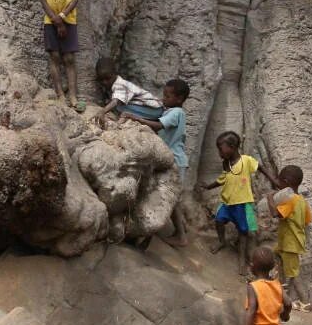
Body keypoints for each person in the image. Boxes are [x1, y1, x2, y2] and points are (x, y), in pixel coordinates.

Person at [204, 131, 280, 268]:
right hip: (227, 203)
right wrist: (209, 187)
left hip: (241, 204)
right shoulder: (226, 164)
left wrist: (273, 179)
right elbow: (222, 179)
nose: (219, 153)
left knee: (243, 231)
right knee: (219, 220)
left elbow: (260, 167)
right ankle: (222, 241)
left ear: (232, 147)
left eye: (220, 149)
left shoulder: (246, 160)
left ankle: (242, 259)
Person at [129, 78, 190, 245]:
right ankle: (179, 229)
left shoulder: (176, 113)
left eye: (167, 96)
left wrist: (138, 119)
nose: (164, 99)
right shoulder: (170, 111)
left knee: (167, 198)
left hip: (174, 160)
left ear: (179, 99)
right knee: (167, 197)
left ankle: (179, 235)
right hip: (169, 159)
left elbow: (157, 126)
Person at [37, 0, 82, 110]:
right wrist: (56, 20)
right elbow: (43, 1)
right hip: (50, 22)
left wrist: (62, 18)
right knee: (55, 57)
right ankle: (60, 94)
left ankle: (73, 95)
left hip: (69, 22)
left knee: (69, 59)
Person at [269, 165, 312, 309]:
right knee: (277, 259)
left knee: (292, 273)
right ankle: (277, 287)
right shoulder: (302, 201)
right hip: (289, 241)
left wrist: (270, 198)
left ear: (286, 182)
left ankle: (299, 301)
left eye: (280, 182)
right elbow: (307, 220)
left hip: (290, 243)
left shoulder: (291, 200)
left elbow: (275, 214)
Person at [94, 57, 163, 125]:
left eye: (108, 78)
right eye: (101, 79)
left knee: (119, 106)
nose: (105, 82)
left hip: (155, 110)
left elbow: (115, 101)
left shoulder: (120, 84)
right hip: (150, 110)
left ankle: (126, 116)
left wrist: (102, 112)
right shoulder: (112, 85)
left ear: (115, 73)